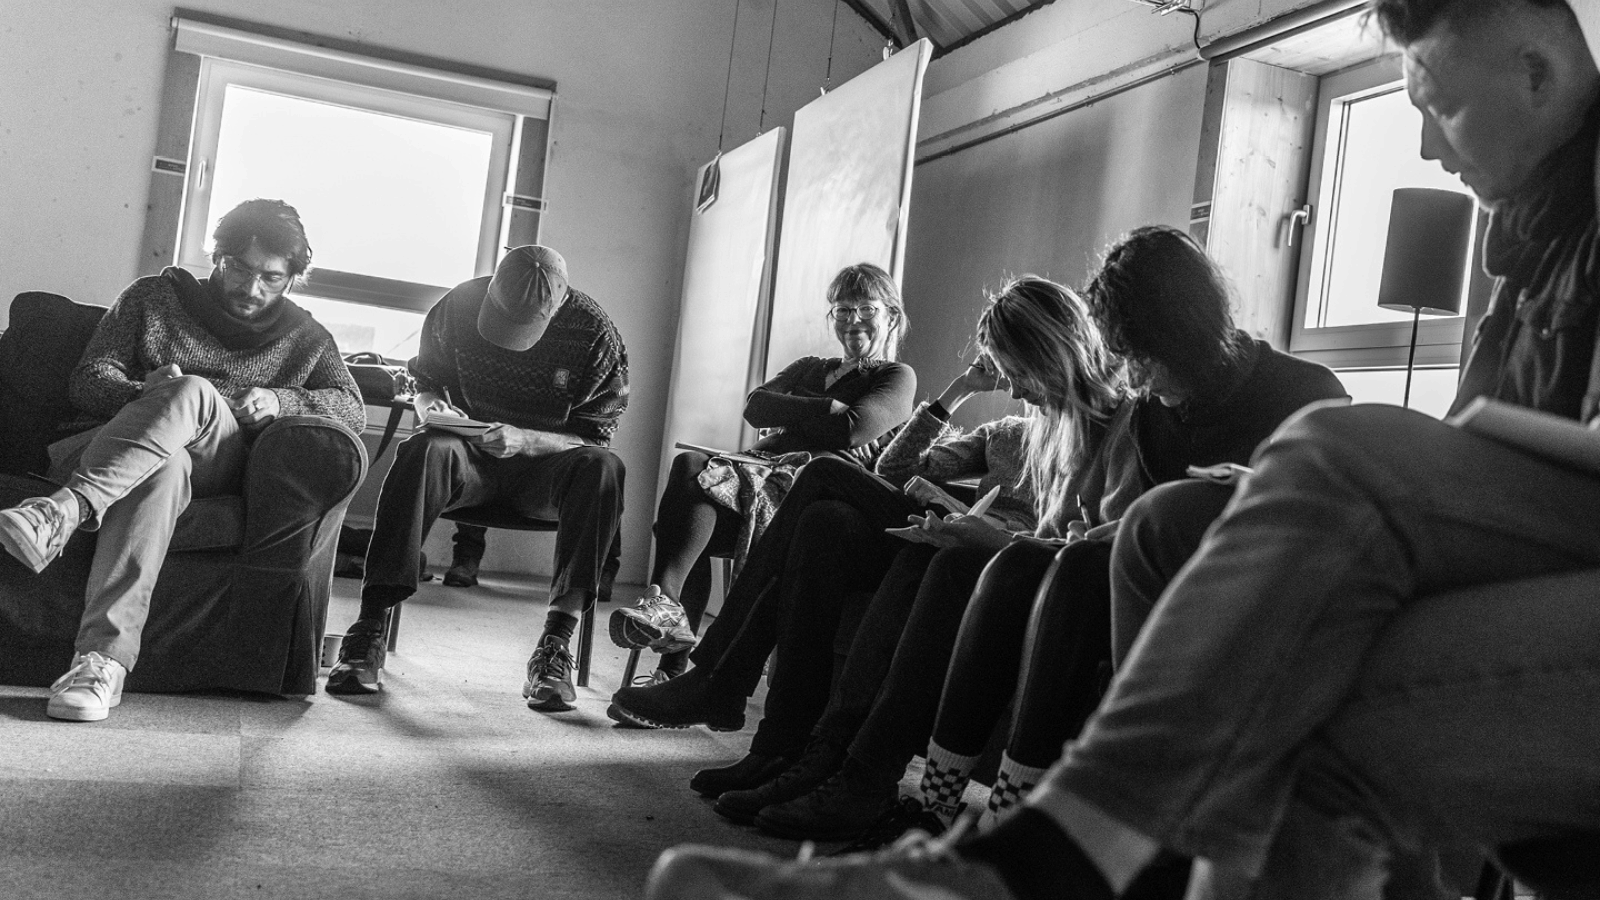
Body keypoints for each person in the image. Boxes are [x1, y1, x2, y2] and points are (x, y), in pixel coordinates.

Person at [644, 0, 1600, 897]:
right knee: (1163, 526)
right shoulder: (1532, 236)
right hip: (1530, 545)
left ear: (1536, 71)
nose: (1429, 145)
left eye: (1442, 108)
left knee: (1324, 451)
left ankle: (1046, 855)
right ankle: (1110, 852)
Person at [736, 234, 1344, 845]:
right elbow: (1094, 526)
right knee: (867, 529)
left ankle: (955, 804)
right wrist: (978, 509)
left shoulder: (1290, 397)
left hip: (1208, 589)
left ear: (1178, 333)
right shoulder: (1139, 412)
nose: (1132, 377)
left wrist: (1005, 538)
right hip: (1084, 566)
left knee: (981, 549)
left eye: (1138, 358)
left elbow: (1153, 531)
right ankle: (870, 779)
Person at [607, 276, 1106, 768]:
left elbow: (852, 433)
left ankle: (718, 678)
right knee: (824, 518)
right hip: (945, 527)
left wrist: (991, 533)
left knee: (826, 472)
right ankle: (776, 745)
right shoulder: (1007, 432)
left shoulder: (1089, 432)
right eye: (1004, 371)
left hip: (998, 550)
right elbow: (892, 468)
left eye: (1016, 372)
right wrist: (958, 392)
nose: (1013, 388)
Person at [0, 199, 364, 723]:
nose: (252, 288)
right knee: (163, 463)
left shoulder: (306, 338)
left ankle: (63, 511)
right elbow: (88, 378)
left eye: (272, 278)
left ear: (291, 278)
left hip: (216, 461)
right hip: (110, 449)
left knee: (191, 392)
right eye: (240, 269)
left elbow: (349, 405)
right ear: (218, 257)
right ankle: (100, 664)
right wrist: (143, 394)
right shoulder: (153, 298)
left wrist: (280, 401)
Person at [325, 245, 628, 712]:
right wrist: (432, 410)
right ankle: (369, 627)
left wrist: (527, 439)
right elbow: (422, 381)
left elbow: (595, 435)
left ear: (559, 304)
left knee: (604, 469)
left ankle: (555, 646)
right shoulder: (458, 306)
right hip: (468, 459)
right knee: (422, 449)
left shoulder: (594, 332)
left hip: (544, 474)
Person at [608, 263, 915, 681]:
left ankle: (673, 662)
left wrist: (801, 416)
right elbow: (756, 406)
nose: (853, 320)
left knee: (689, 509)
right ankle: (666, 613)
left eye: (866, 309)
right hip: (752, 472)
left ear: (891, 316)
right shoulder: (811, 366)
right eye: (842, 310)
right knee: (690, 468)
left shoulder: (895, 377)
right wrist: (827, 408)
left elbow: (854, 429)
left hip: (804, 489)